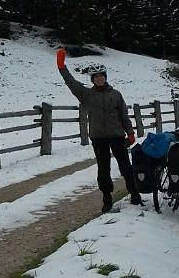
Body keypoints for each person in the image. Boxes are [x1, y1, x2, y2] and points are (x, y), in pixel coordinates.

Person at [56, 47, 142, 212]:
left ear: (105, 77)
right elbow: (71, 83)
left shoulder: (116, 94)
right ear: (93, 80)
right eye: (96, 77)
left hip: (117, 136)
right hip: (99, 138)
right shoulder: (86, 95)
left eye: (102, 76)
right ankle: (107, 199)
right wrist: (61, 67)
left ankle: (134, 193)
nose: (99, 79)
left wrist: (130, 133)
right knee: (104, 170)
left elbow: (124, 115)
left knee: (126, 166)